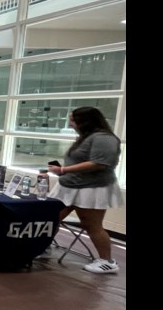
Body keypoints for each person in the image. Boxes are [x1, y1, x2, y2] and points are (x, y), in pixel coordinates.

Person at [45, 106, 124, 274]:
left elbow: (99, 162)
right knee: (51, 218)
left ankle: (107, 261)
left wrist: (64, 170)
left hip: (92, 188)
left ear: (85, 122)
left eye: (73, 121)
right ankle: (42, 246)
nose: (70, 124)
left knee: (92, 225)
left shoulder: (104, 138)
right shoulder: (86, 137)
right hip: (70, 186)